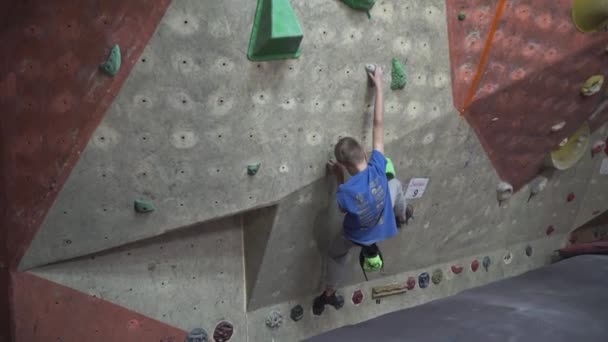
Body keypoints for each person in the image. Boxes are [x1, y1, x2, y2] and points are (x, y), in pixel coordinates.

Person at [313, 65, 407, 315]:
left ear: (343, 165)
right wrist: (378, 85)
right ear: (365, 153)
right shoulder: (377, 164)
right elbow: (378, 124)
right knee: (395, 185)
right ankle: (402, 215)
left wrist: (338, 177)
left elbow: (347, 206)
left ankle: (329, 292)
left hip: (357, 237)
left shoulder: (345, 191)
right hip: (384, 225)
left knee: (335, 253)